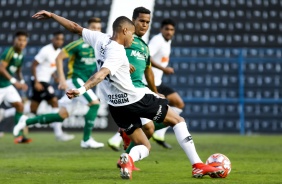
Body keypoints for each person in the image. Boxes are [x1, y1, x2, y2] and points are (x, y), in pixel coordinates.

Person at [14, 10, 223, 179]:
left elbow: (75, 28)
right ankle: (197, 165)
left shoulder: (99, 39)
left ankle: (128, 161)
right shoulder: (117, 51)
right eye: (131, 33)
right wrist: (82, 89)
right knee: (178, 120)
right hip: (135, 100)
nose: (133, 37)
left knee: (144, 145)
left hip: (116, 107)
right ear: (124, 30)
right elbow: (102, 72)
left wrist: (52, 15)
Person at [107, 7, 169, 153]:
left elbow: (148, 70)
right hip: (121, 91)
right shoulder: (121, 39)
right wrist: (122, 64)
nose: (145, 25)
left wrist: (155, 92)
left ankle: (126, 158)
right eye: (141, 21)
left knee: (149, 129)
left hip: (138, 91)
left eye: (147, 22)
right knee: (174, 119)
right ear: (133, 20)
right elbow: (108, 55)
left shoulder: (144, 46)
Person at [56, 17, 104, 148]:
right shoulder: (78, 44)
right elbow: (59, 57)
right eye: (93, 27)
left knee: (62, 115)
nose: (96, 30)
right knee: (94, 104)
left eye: (99, 28)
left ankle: (26, 121)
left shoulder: (99, 46)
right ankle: (86, 140)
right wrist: (61, 79)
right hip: (75, 79)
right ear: (88, 29)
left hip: (84, 81)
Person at [146, 18, 185, 149]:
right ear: (161, 29)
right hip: (149, 82)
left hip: (159, 82)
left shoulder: (167, 41)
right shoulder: (157, 40)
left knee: (178, 103)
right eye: (167, 29)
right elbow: (147, 56)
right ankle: (117, 138)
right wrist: (164, 69)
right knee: (144, 116)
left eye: (172, 29)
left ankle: (159, 133)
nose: (169, 32)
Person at [30, 31, 74, 141]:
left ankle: (7, 112)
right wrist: (36, 82)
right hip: (40, 81)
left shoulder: (59, 52)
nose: (59, 41)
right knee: (54, 102)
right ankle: (58, 134)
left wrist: (55, 77)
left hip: (46, 81)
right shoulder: (46, 50)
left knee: (32, 109)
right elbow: (33, 65)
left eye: (61, 39)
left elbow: (51, 67)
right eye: (57, 39)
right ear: (52, 39)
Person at [0, 31, 32, 143]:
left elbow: (18, 70)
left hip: (7, 86)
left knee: (19, 106)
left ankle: (18, 135)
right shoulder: (9, 52)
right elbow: (1, 68)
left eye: (24, 40)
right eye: (19, 40)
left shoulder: (21, 54)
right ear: (15, 40)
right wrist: (14, 82)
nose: (21, 43)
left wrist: (22, 81)